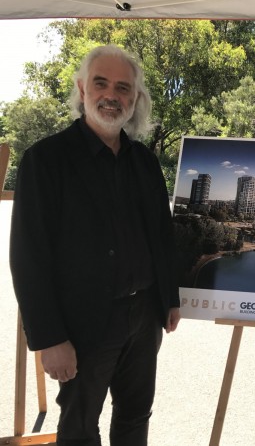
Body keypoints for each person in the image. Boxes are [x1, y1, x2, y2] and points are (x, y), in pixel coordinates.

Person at [10, 45, 181, 446]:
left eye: (123, 88)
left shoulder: (145, 162)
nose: (112, 95)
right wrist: (49, 339)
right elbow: (28, 258)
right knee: (80, 429)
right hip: (81, 323)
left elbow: (161, 235)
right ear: (82, 89)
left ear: (135, 99)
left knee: (136, 417)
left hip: (144, 317)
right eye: (101, 83)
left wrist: (169, 298)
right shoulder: (44, 160)